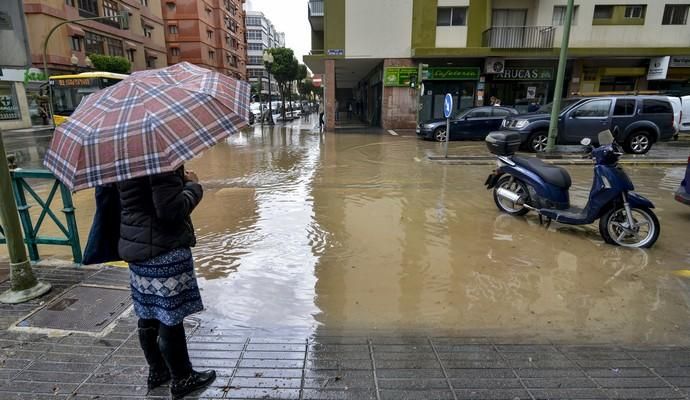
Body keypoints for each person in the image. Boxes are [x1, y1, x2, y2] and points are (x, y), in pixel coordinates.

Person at [117, 166, 215, 399]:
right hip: (164, 251)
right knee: (171, 317)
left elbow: (138, 197)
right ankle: (183, 378)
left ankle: (157, 371)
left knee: (148, 312)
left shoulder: (123, 158)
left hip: (136, 247)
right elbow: (170, 210)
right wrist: (193, 186)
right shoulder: (159, 161)